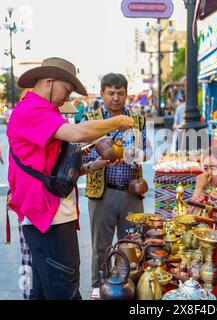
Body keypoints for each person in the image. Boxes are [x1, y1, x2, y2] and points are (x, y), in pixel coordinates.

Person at [6, 57, 134, 300]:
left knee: (43, 292)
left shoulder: (45, 111)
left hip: (51, 212)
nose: (68, 96)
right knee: (64, 289)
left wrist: (94, 165)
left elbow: (55, 167)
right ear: (49, 81)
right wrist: (116, 121)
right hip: (47, 215)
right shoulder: (31, 110)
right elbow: (77, 133)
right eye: (67, 89)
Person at [82, 73, 151, 300]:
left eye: (120, 93)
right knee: (100, 246)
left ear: (126, 94)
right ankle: (98, 287)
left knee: (132, 244)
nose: (115, 98)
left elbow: (148, 151)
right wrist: (101, 155)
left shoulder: (137, 119)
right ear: (102, 93)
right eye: (110, 93)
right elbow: (79, 155)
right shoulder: (90, 119)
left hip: (130, 193)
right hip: (102, 193)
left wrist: (135, 155)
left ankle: (129, 286)